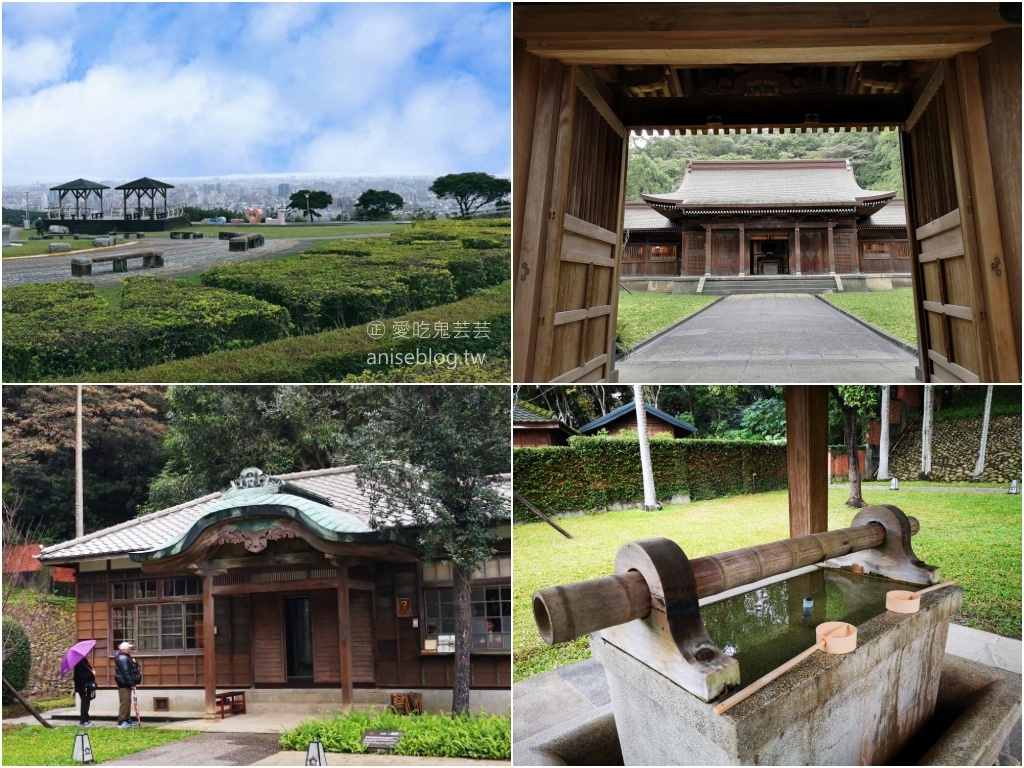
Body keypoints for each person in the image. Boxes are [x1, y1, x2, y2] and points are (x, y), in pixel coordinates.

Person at [113, 641, 142, 728]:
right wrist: (132, 684)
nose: (130, 649)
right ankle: (122, 721)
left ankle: (127, 719)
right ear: (126, 649)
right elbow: (126, 673)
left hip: (125, 683)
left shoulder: (125, 657)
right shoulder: (123, 658)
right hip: (124, 683)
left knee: (127, 702)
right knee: (124, 702)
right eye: (129, 648)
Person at [72, 658, 96, 727]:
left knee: (86, 702)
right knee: (85, 703)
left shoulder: (84, 662)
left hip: (86, 686)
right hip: (83, 687)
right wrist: (92, 673)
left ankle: (86, 719)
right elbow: (81, 676)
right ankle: (83, 720)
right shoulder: (79, 663)